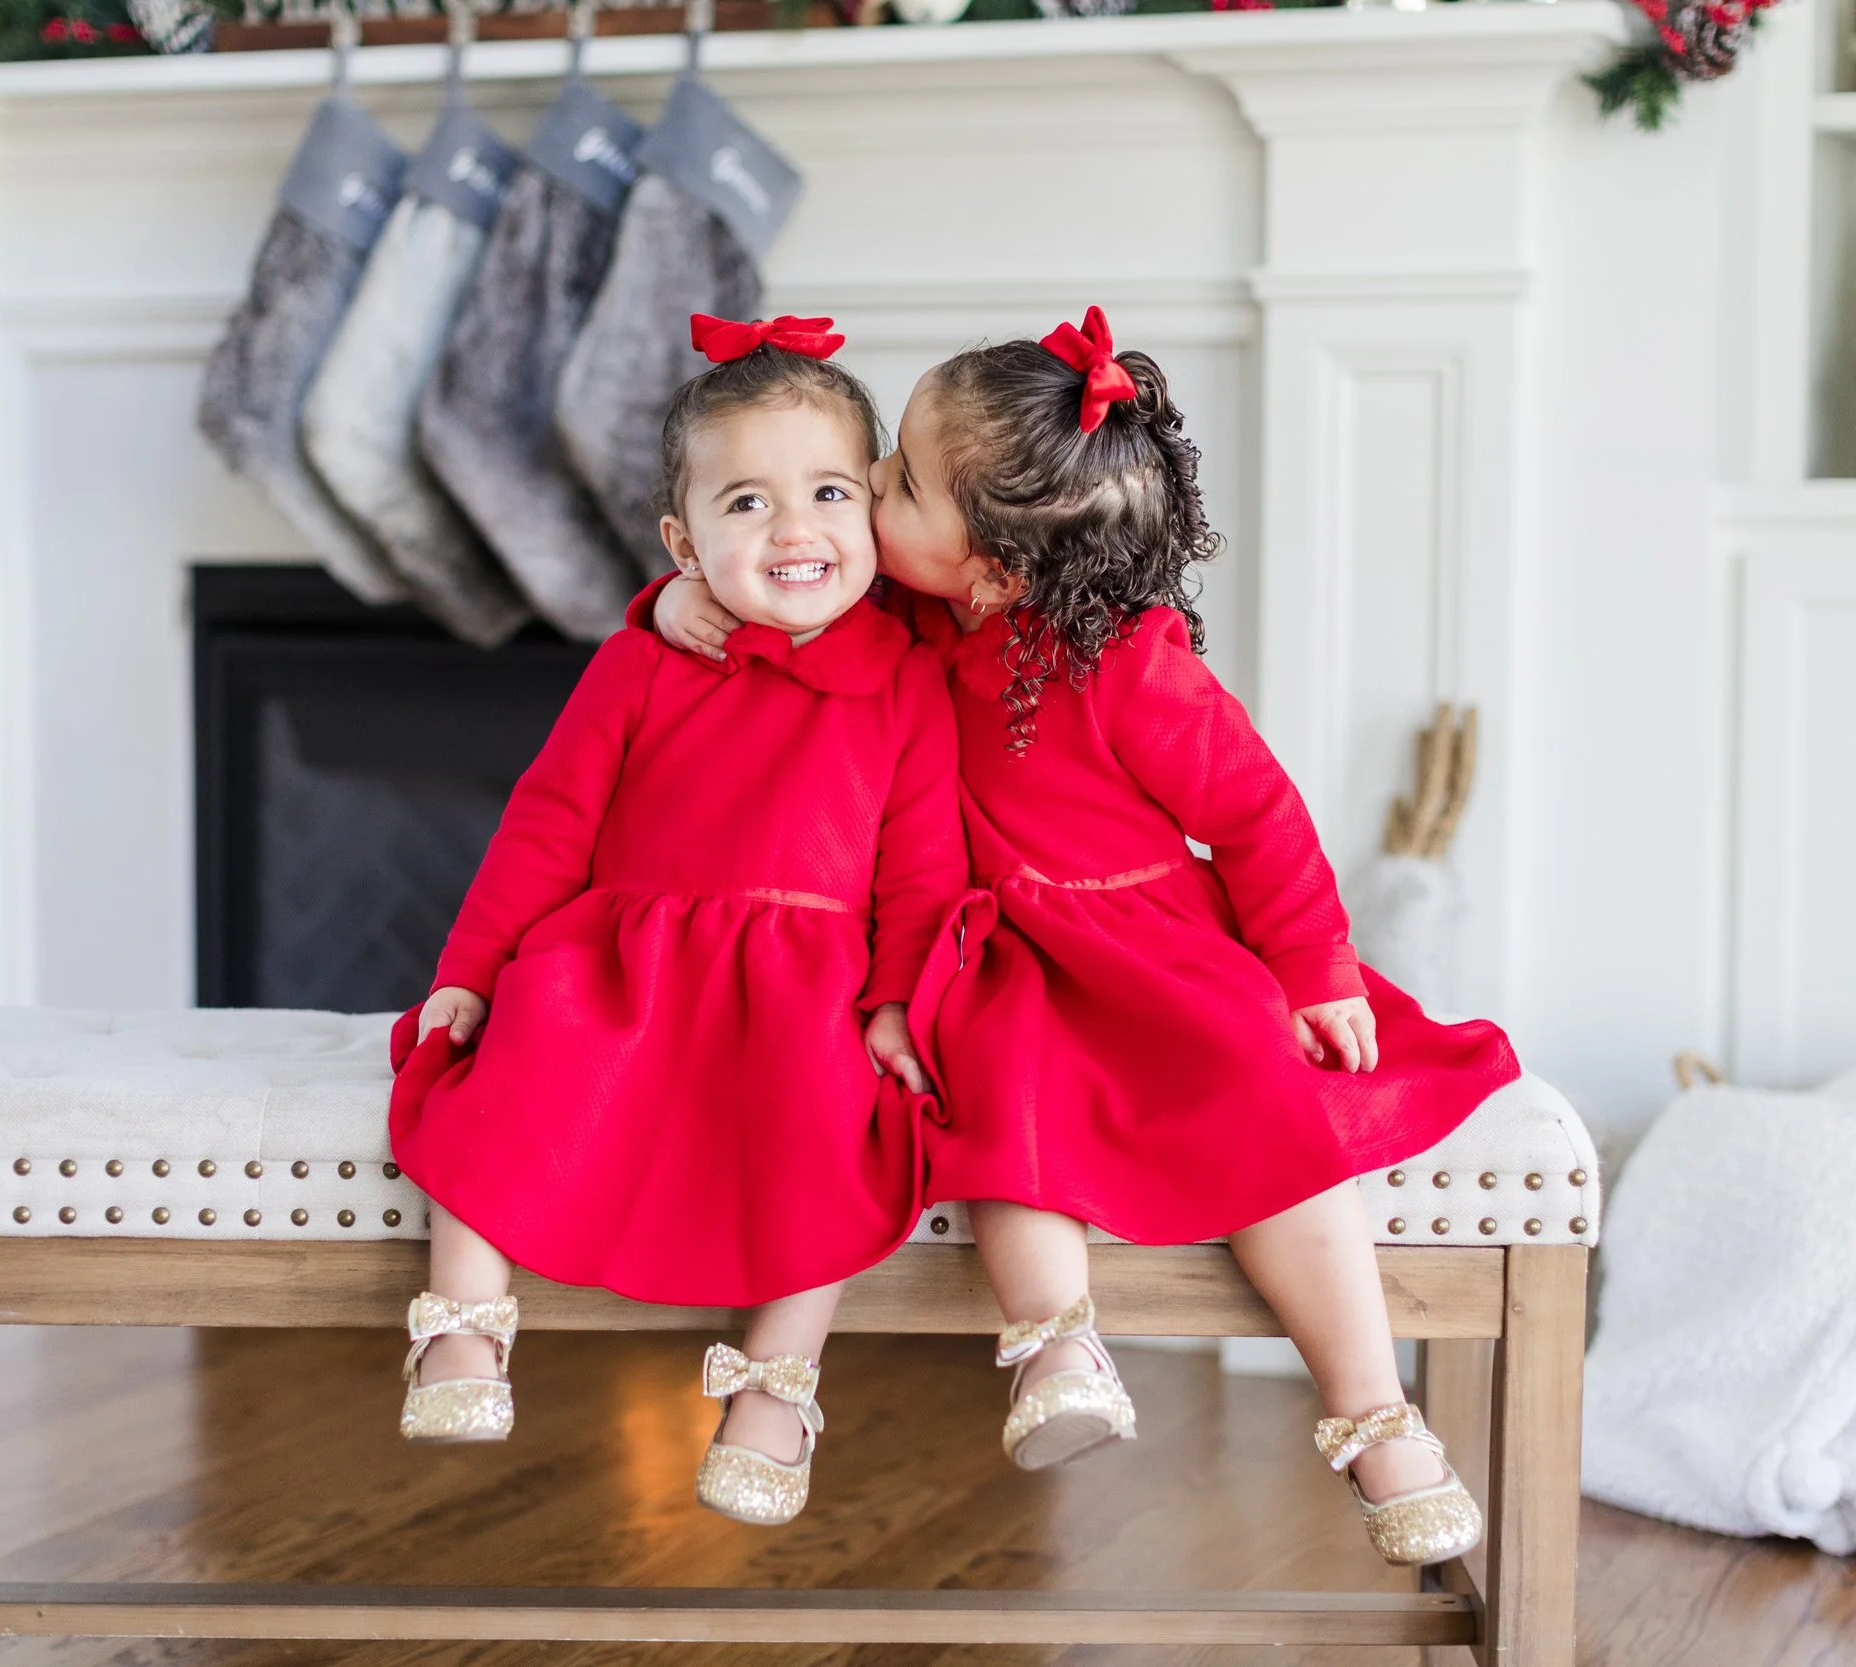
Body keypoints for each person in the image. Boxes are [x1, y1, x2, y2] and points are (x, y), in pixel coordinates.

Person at [649, 308, 1518, 1565]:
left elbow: (1260, 816)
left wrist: (1314, 966)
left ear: (995, 568)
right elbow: (762, 570)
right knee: (998, 1097)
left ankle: (1375, 1412)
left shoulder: (1130, 668)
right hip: (996, 952)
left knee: (1269, 1106)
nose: (867, 496)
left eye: (893, 481)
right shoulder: (896, 620)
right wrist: (673, 595)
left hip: (1153, 940)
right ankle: (1056, 1349)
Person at [389, 314, 965, 1528]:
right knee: (502, 1062)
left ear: (872, 506)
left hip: (807, 982)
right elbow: (545, 823)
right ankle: (463, 1319)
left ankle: (776, 1381)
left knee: (838, 1125)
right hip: (626, 961)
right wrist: (472, 967)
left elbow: (924, 866)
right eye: (745, 504)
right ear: (683, 541)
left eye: (824, 492)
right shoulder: (643, 662)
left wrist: (898, 1001)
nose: (794, 529)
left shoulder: (911, 675)